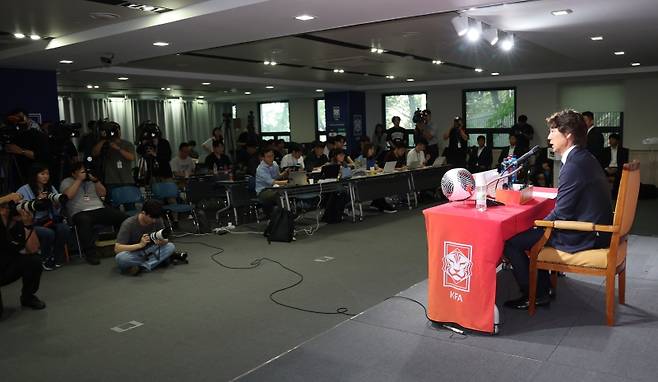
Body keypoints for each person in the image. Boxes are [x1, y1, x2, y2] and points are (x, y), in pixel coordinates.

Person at [503, 109, 613, 310]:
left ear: (568, 135)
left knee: (512, 242)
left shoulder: (573, 165)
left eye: (553, 131)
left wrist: (537, 224)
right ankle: (544, 288)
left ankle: (533, 294)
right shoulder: (584, 157)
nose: (548, 136)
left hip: (586, 234)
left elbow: (562, 213)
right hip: (596, 228)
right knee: (534, 232)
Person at [60, 162, 128, 265]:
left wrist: (96, 181)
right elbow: (68, 196)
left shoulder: (91, 181)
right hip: (80, 212)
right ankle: (90, 254)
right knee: (84, 221)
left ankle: (125, 244)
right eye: (81, 171)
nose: (85, 173)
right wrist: (79, 180)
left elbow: (103, 193)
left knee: (123, 217)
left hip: (98, 208)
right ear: (74, 173)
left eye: (85, 171)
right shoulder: (67, 181)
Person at [0, 192, 46, 316]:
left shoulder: (19, 223)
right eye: (13, 206)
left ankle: (28, 297)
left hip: (7, 266)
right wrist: (7, 198)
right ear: (3, 210)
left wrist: (28, 225)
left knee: (34, 261)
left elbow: (33, 249)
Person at [17, 164, 70, 270]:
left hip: (48, 220)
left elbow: (57, 206)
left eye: (47, 174)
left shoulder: (50, 188)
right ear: (35, 175)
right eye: (42, 174)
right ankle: (45, 258)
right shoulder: (24, 189)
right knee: (48, 233)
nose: (46, 176)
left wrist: (56, 203)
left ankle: (56, 256)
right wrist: (37, 200)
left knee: (64, 228)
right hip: (33, 222)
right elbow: (20, 209)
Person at [114, 200, 184, 276]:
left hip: (152, 249)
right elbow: (117, 248)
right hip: (135, 252)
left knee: (170, 246)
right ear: (143, 213)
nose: (154, 221)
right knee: (121, 258)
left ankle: (143, 266)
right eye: (151, 218)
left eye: (155, 218)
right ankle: (158, 261)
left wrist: (163, 241)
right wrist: (140, 245)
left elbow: (165, 239)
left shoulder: (157, 219)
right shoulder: (128, 224)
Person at [2, 109, 51, 192]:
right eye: (14, 119)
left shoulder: (36, 135)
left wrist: (21, 151)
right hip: (14, 177)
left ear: (27, 119)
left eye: (20, 118)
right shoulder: (9, 134)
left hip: (31, 177)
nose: (17, 121)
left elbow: (42, 156)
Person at [91, 121, 136, 193]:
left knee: (129, 202)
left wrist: (118, 148)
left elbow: (132, 157)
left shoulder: (127, 144)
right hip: (111, 180)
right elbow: (94, 153)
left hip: (126, 179)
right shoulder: (104, 144)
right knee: (114, 203)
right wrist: (104, 139)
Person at [255, 148, 289, 217]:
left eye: (272, 156)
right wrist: (287, 182)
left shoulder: (274, 164)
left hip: (274, 188)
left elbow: (277, 177)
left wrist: (285, 173)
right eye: (268, 156)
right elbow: (272, 182)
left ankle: (287, 212)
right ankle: (285, 215)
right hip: (263, 191)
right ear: (263, 158)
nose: (271, 158)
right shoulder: (260, 169)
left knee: (285, 191)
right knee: (278, 194)